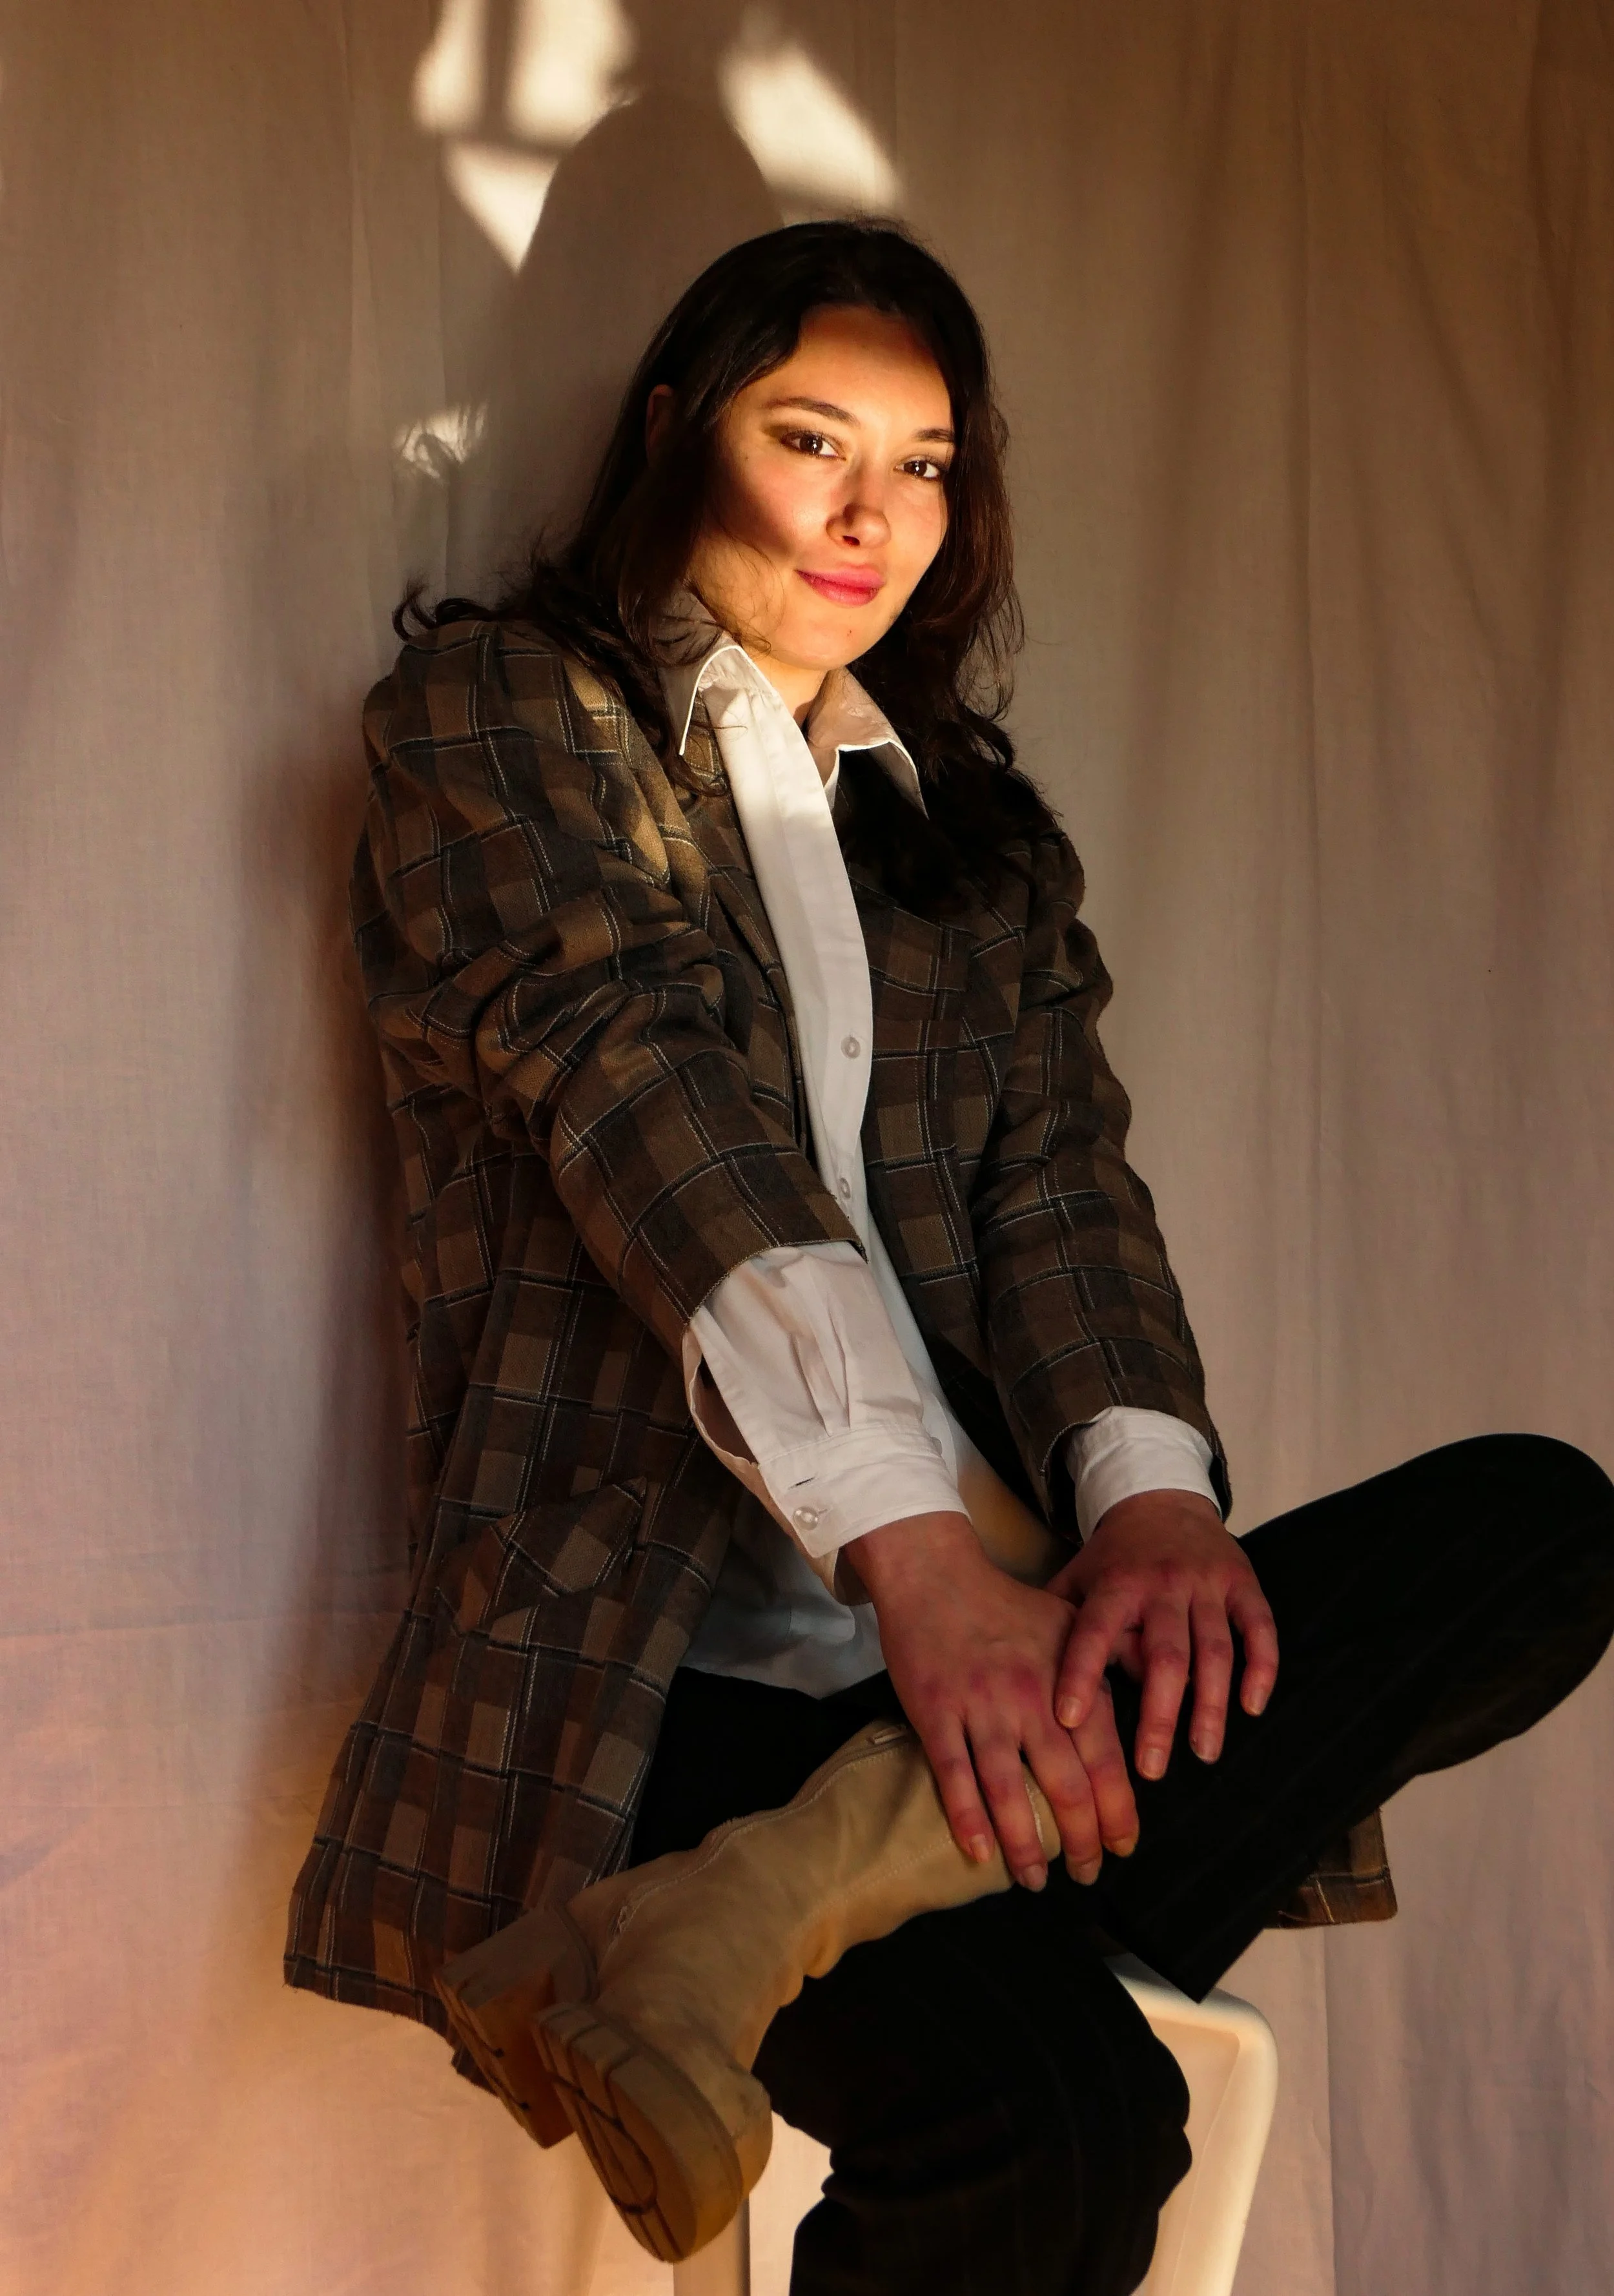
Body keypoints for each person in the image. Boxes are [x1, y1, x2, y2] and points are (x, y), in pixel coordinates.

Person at [287, 221, 1614, 2296]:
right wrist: (917, 1569)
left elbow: (1058, 1193)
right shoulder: (498, 716)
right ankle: (756, 1877)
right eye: (808, 439)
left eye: (921, 464)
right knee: (1065, 2119)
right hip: (665, 1680)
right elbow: (645, 1096)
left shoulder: (971, 844)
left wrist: (1154, 1512)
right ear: (671, 433)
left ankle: (759, 1906)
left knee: (1538, 1525)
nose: (869, 516)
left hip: (1005, 1662)